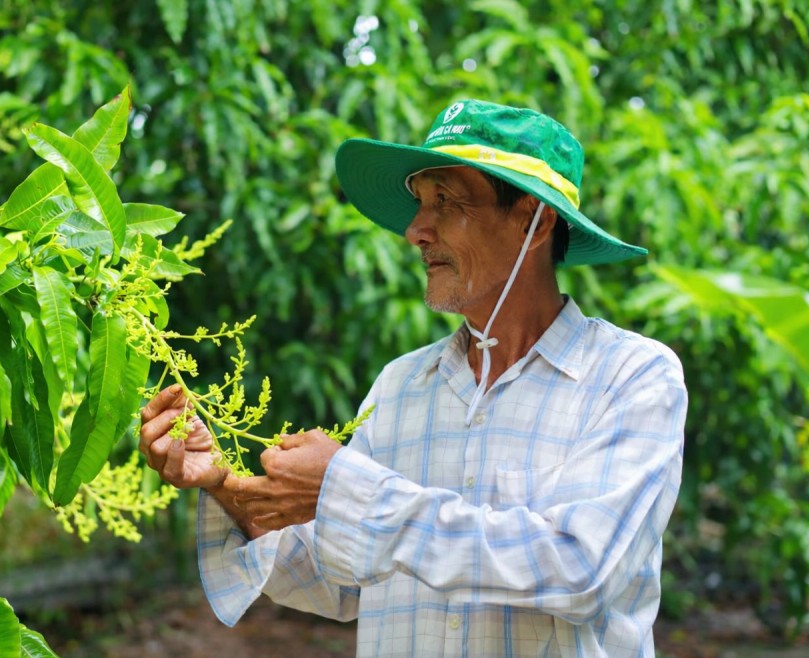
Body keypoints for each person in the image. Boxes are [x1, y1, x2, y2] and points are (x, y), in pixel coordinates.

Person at [139, 99, 687, 657]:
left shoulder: (631, 377)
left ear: (534, 220)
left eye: (446, 201)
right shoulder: (403, 386)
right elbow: (337, 578)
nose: (416, 231)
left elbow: (579, 569)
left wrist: (350, 492)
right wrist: (222, 483)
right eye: (421, 203)